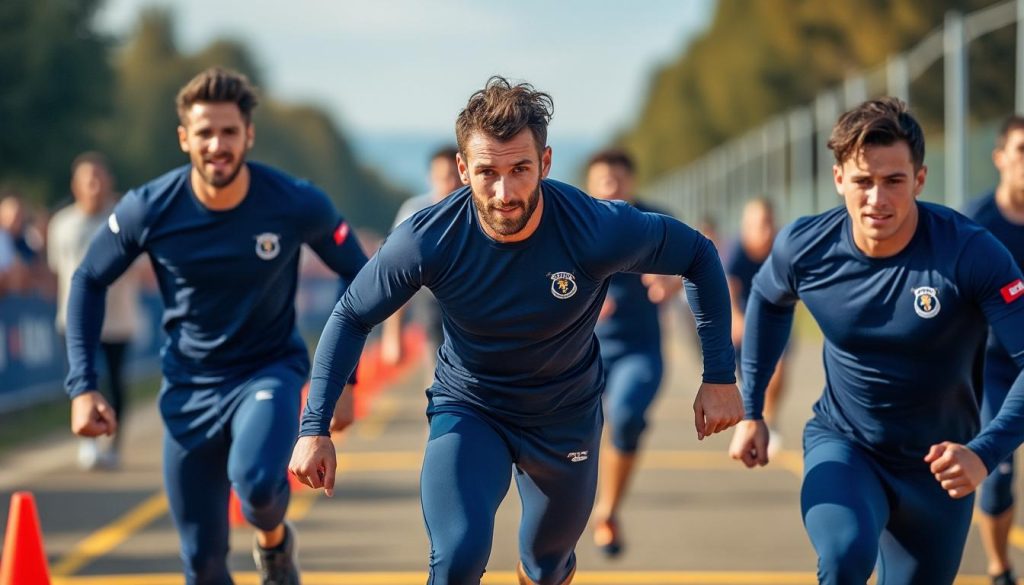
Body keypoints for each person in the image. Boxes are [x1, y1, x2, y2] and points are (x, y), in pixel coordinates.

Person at [289, 76, 742, 585]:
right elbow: (352, 314)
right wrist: (314, 428)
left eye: (520, 170)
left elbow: (699, 255)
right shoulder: (427, 239)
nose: (505, 192)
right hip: (471, 407)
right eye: (487, 172)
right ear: (463, 170)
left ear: (545, 164)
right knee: (457, 559)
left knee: (545, 567)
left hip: (564, 417)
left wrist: (720, 375)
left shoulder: (595, 227)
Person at [63, 67, 368, 585]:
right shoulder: (150, 207)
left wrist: (342, 382)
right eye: (204, 132)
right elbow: (89, 278)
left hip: (266, 372)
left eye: (229, 131)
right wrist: (82, 386)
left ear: (249, 135)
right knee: (201, 564)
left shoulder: (293, 202)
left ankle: (275, 544)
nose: (217, 145)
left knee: (255, 487)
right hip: (188, 387)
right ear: (185, 138)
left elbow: (357, 274)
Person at [728, 97, 1024, 585]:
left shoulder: (968, 252)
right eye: (863, 181)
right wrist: (753, 410)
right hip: (845, 446)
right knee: (845, 557)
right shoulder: (807, 247)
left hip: (941, 467)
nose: (877, 199)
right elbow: (767, 299)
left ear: (920, 180)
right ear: (839, 178)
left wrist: (984, 452)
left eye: (894, 181)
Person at [583, 148, 681, 558]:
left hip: (640, 351)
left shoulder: (655, 223)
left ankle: (608, 510)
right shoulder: (576, 223)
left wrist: (672, 282)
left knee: (623, 417)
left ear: (632, 183)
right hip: (582, 351)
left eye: (618, 179)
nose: (610, 187)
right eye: (602, 181)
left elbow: (695, 266)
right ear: (590, 185)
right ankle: (568, 514)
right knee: (573, 435)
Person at [49, 152, 141, 470]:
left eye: (100, 177)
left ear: (110, 182)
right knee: (82, 382)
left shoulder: (125, 220)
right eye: (88, 178)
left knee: (116, 384)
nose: (95, 184)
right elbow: (55, 269)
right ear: (75, 185)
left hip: (117, 319)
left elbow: (142, 269)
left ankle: (113, 443)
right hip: (74, 321)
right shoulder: (61, 224)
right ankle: (87, 442)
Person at [965, 114, 1024, 585]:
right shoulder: (975, 226)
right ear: (1000, 157)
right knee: (998, 474)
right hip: (997, 369)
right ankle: (1000, 565)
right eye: (1021, 151)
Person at [380, 146, 461, 372]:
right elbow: (394, 274)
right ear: (431, 179)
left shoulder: (482, 211)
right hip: (431, 304)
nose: (452, 184)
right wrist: (393, 333)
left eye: (456, 177)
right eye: (444, 178)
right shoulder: (414, 214)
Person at [724, 198, 787, 454]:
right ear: (745, 226)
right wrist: (735, 317)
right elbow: (728, 285)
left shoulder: (782, 248)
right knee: (750, 374)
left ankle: (767, 419)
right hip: (747, 318)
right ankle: (751, 414)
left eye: (768, 223)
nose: (764, 230)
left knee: (780, 369)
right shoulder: (737, 250)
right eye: (757, 224)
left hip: (776, 316)